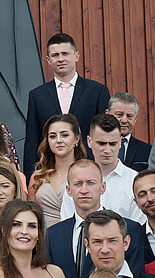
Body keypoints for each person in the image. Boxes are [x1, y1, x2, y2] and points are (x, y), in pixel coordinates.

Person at [22, 33, 110, 176]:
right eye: (55, 55)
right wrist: (30, 176)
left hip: (89, 168)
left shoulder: (97, 91)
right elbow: (32, 140)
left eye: (65, 54)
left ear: (76, 56)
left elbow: (104, 134)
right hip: (49, 170)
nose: (61, 59)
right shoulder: (37, 95)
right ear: (48, 60)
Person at [47, 161, 153, 278]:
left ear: (103, 187)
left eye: (91, 183)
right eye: (78, 184)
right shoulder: (53, 234)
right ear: (68, 190)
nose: (84, 190)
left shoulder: (130, 229)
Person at [27, 114, 86, 229]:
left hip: (75, 235)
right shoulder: (37, 176)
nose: (58, 140)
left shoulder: (86, 173)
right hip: (43, 239)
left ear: (76, 139)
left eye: (64, 135)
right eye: (53, 136)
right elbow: (31, 216)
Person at [84, 114, 143, 224]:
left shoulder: (135, 180)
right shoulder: (77, 179)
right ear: (89, 141)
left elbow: (137, 227)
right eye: (101, 143)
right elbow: (69, 225)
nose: (107, 150)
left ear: (120, 142)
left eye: (112, 143)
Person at [109, 94, 153, 172]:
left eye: (129, 116)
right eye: (119, 115)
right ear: (108, 114)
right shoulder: (91, 148)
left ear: (135, 118)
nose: (124, 120)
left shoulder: (147, 151)